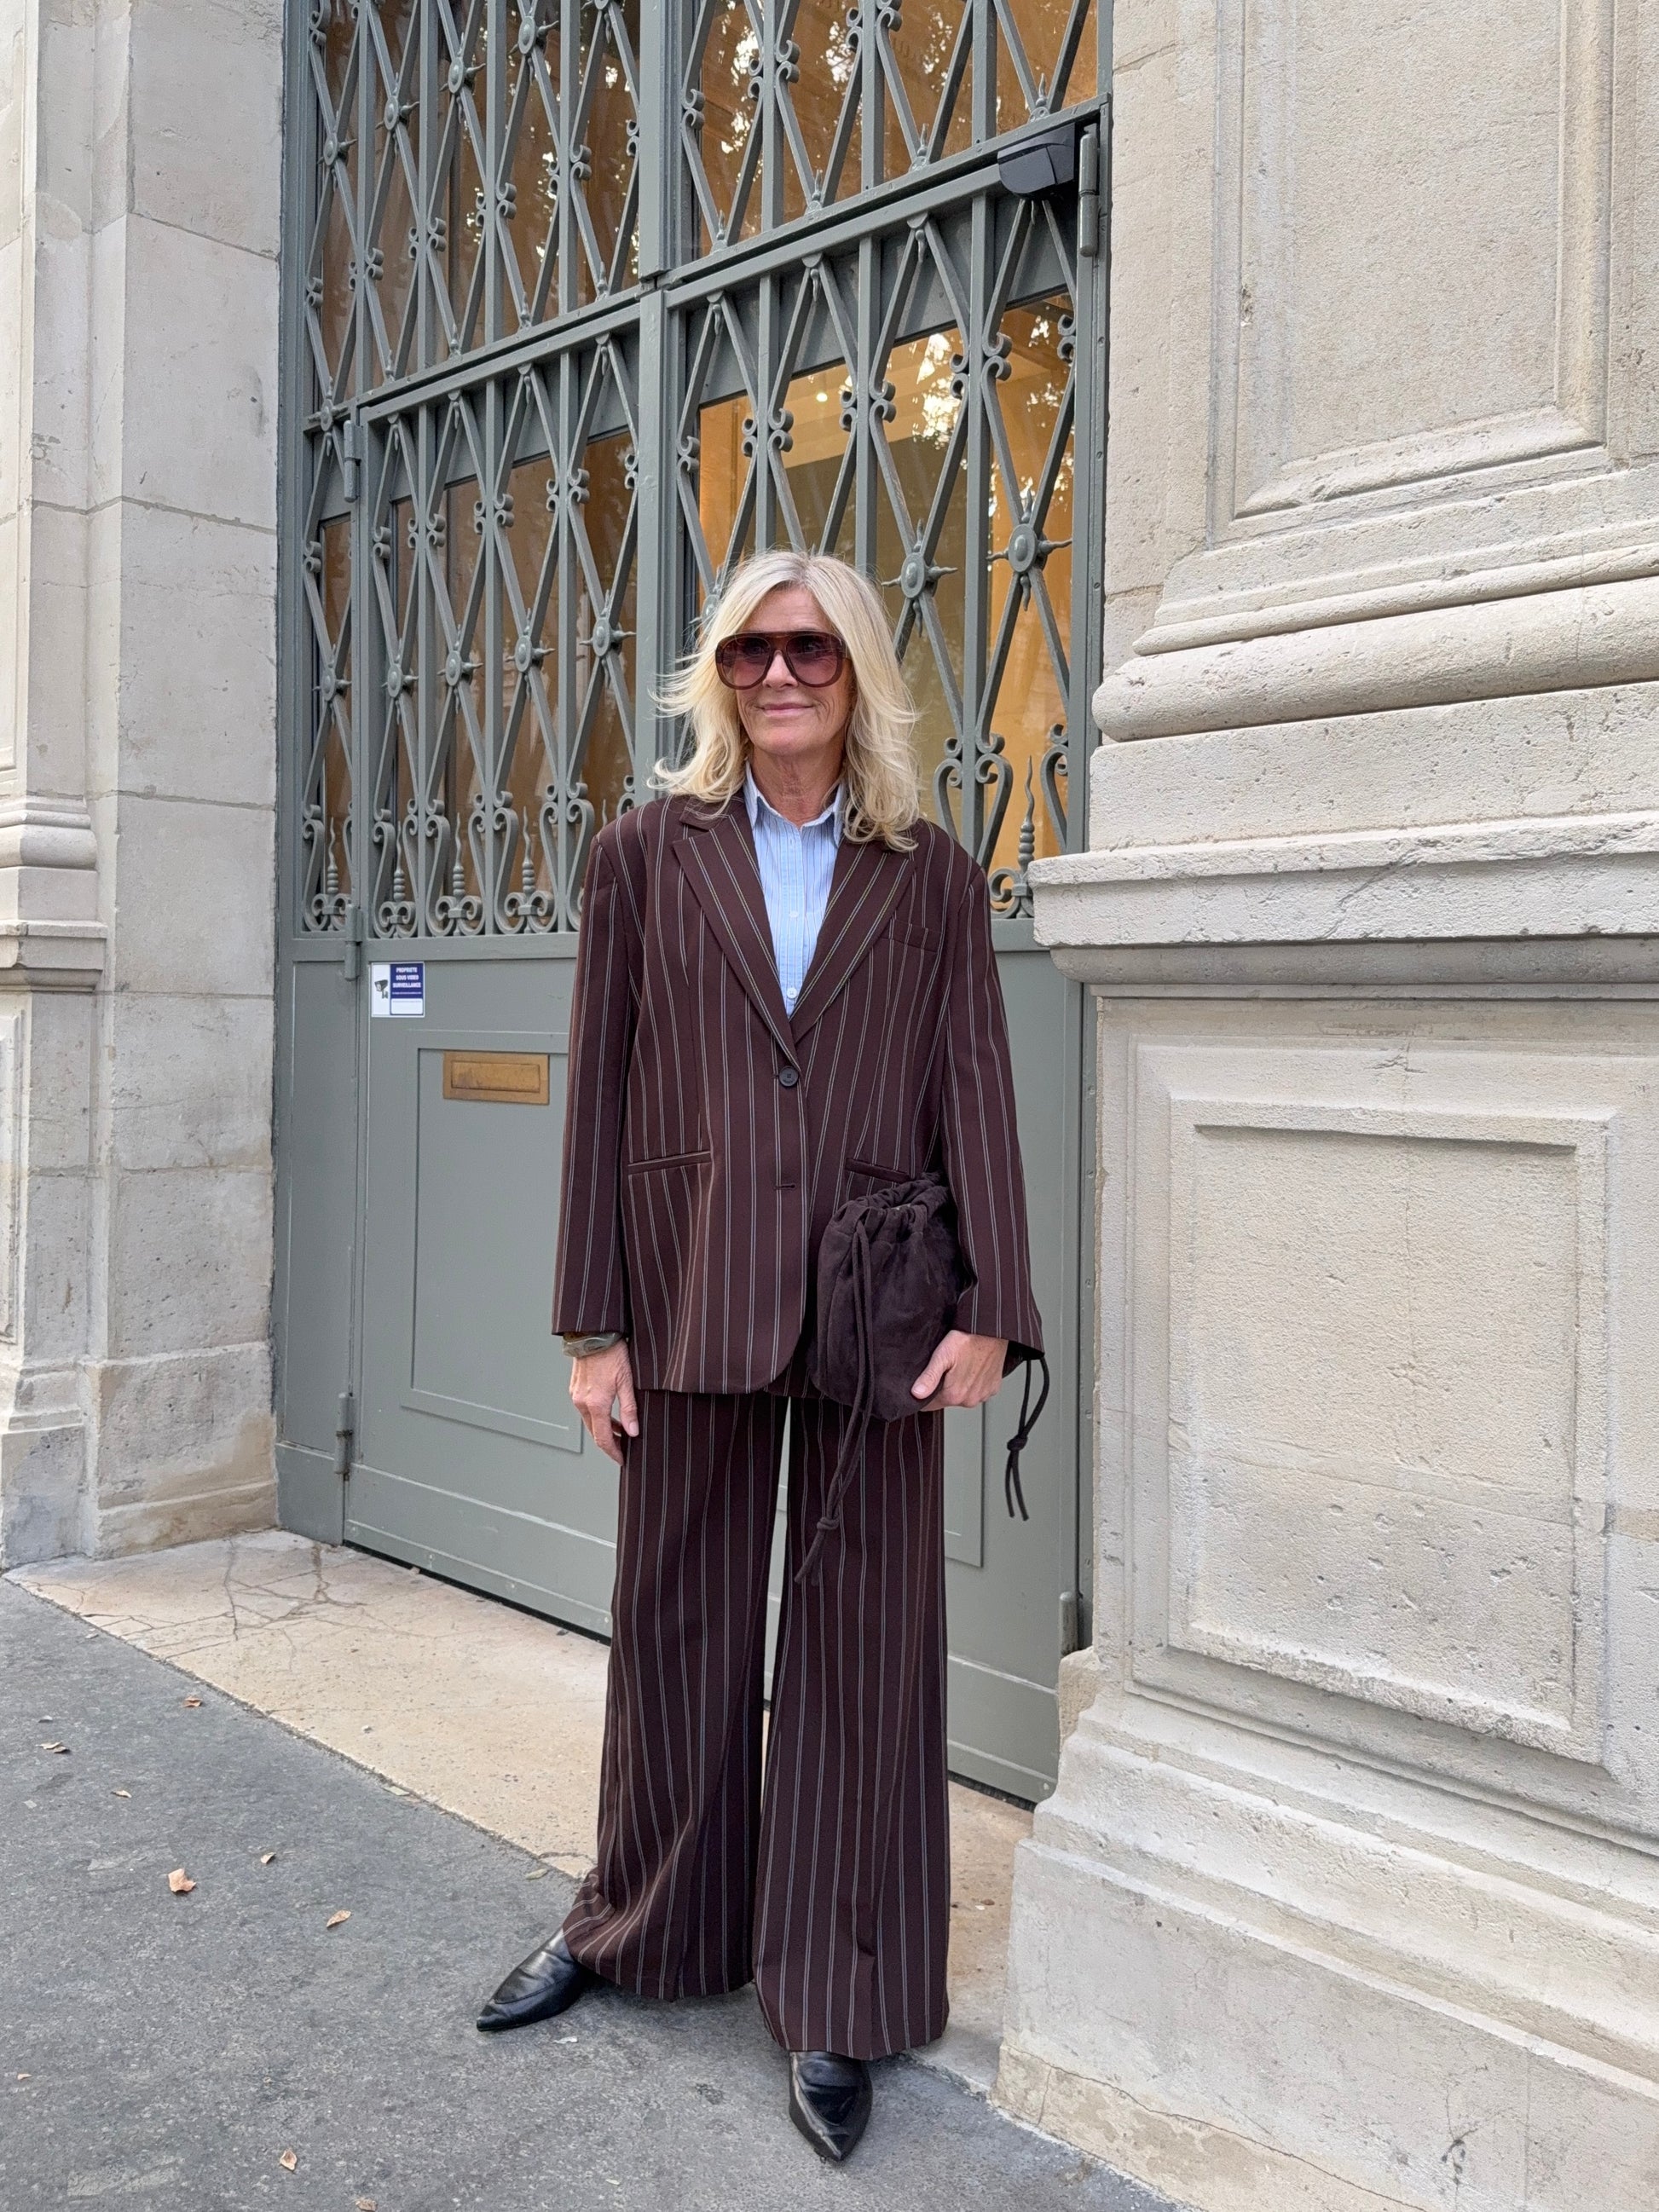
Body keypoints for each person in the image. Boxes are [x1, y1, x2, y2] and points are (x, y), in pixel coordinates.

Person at [476, 548, 1041, 2164]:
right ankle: (640, 1925)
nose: (778, 676)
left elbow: (976, 1085)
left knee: (866, 1652)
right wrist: (593, 1327)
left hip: (878, 1302)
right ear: (716, 677)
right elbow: (600, 1090)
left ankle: (840, 1991)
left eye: (809, 650)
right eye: (747, 652)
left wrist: (992, 1307)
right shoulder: (641, 856)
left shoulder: (929, 872)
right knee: (678, 1629)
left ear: (856, 673)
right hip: (691, 1285)